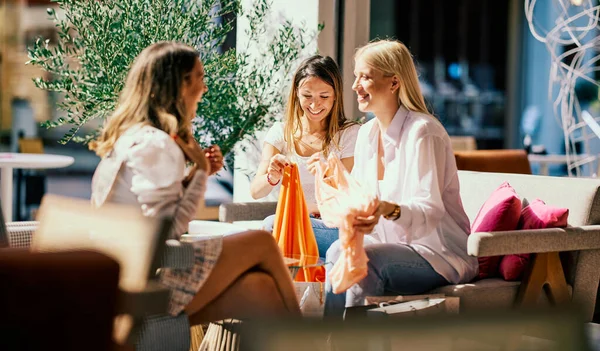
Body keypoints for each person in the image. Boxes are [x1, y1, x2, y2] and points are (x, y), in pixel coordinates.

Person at [90, 41, 300, 325]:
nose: (205, 88)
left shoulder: (134, 137)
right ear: (180, 86)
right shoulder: (157, 144)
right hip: (143, 286)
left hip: (119, 278)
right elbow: (170, 228)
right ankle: (309, 348)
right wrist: (200, 171)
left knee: (260, 291)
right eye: (200, 78)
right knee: (262, 242)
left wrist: (191, 178)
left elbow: (152, 215)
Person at [322, 39, 478, 318]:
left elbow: (429, 212)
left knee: (365, 264)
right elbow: (359, 198)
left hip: (435, 253)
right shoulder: (367, 133)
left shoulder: (423, 132)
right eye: (356, 76)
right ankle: (327, 349)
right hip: (384, 242)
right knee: (333, 250)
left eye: (365, 77)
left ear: (394, 83)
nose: (356, 85)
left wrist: (384, 208)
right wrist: (334, 182)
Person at [250, 55, 360, 258]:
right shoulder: (281, 132)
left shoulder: (349, 134)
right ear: (296, 95)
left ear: (336, 96)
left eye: (324, 96)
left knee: (271, 226)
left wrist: (304, 208)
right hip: (292, 223)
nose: (315, 104)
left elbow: (349, 196)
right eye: (307, 95)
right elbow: (256, 191)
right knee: (272, 228)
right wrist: (271, 177)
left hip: (334, 228)